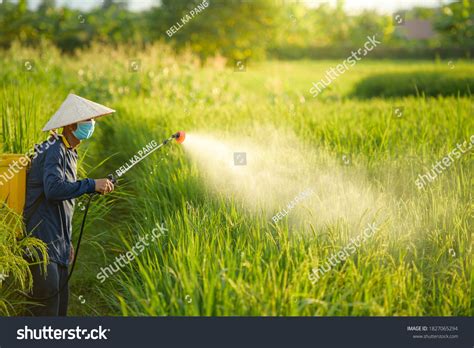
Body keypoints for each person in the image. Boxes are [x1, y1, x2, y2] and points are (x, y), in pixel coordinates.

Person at [23, 94, 115, 316]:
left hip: (58, 244)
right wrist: (91, 184)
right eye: (88, 120)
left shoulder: (70, 152)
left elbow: (63, 202)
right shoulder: (53, 148)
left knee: (60, 309)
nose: (92, 125)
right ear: (72, 125)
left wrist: (66, 240)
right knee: (47, 312)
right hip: (42, 242)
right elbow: (53, 190)